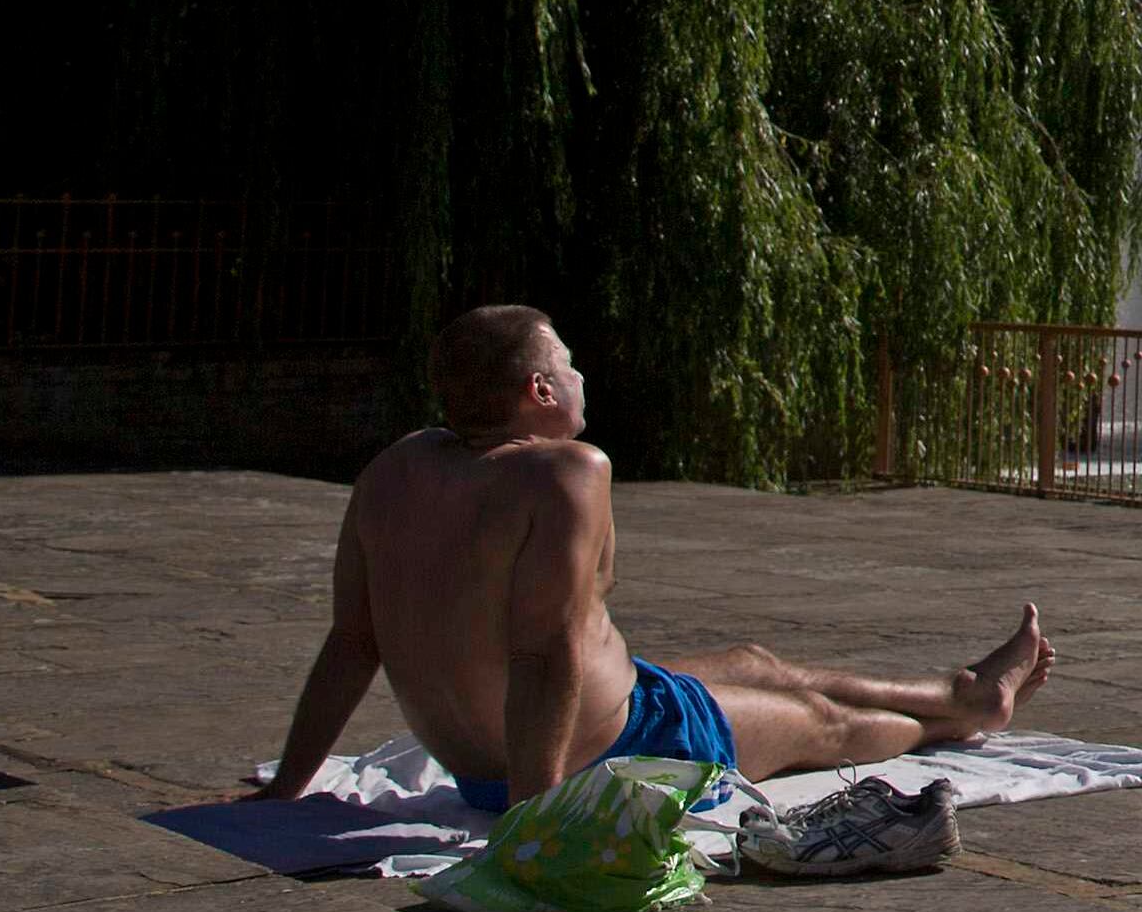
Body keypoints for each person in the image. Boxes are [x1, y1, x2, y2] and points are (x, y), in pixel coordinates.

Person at [249, 304, 1051, 810]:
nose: (579, 371)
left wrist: (291, 785)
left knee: (755, 660)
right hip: (614, 747)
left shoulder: (393, 469)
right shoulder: (567, 471)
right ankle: (968, 714)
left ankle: (964, 691)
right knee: (821, 724)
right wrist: (537, 821)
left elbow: (352, 644)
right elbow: (546, 652)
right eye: (566, 361)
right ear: (539, 390)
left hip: (487, 758)